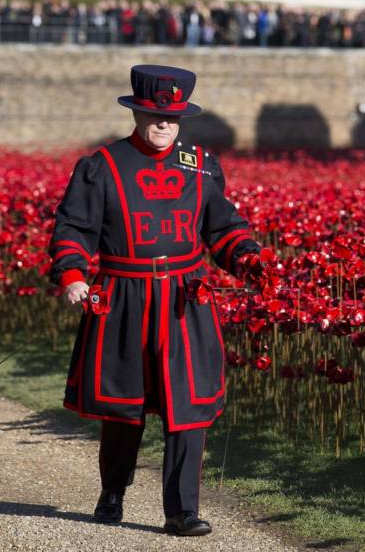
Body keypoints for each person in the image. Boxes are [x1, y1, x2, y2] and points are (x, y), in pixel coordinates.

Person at [46, 64, 262, 536]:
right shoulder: (101, 165)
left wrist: (245, 256)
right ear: (137, 112)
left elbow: (221, 226)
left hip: (186, 299)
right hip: (124, 296)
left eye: (172, 116)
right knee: (125, 406)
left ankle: (181, 511)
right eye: (153, 114)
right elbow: (74, 227)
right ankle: (113, 491)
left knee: (189, 405)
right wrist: (73, 275)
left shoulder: (202, 164)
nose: (163, 123)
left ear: (182, 116)